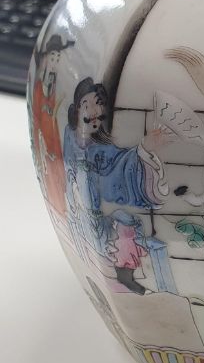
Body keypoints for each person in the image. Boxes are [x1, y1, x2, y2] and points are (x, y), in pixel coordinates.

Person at [63, 77, 172, 260]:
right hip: (76, 215)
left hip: (98, 221)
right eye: (87, 104)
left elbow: (120, 170)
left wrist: (144, 149)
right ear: (77, 110)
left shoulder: (104, 150)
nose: (95, 111)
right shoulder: (69, 136)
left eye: (99, 105)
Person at [31, 34, 74, 216]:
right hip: (43, 133)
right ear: (46, 58)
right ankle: (58, 209)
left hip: (54, 134)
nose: (55, 62)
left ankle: (62, 210)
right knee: (49, 170)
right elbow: (37, 113)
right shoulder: (39, 85)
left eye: (58, 59)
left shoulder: (54, 83)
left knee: (58, 173)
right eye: (53, 57)